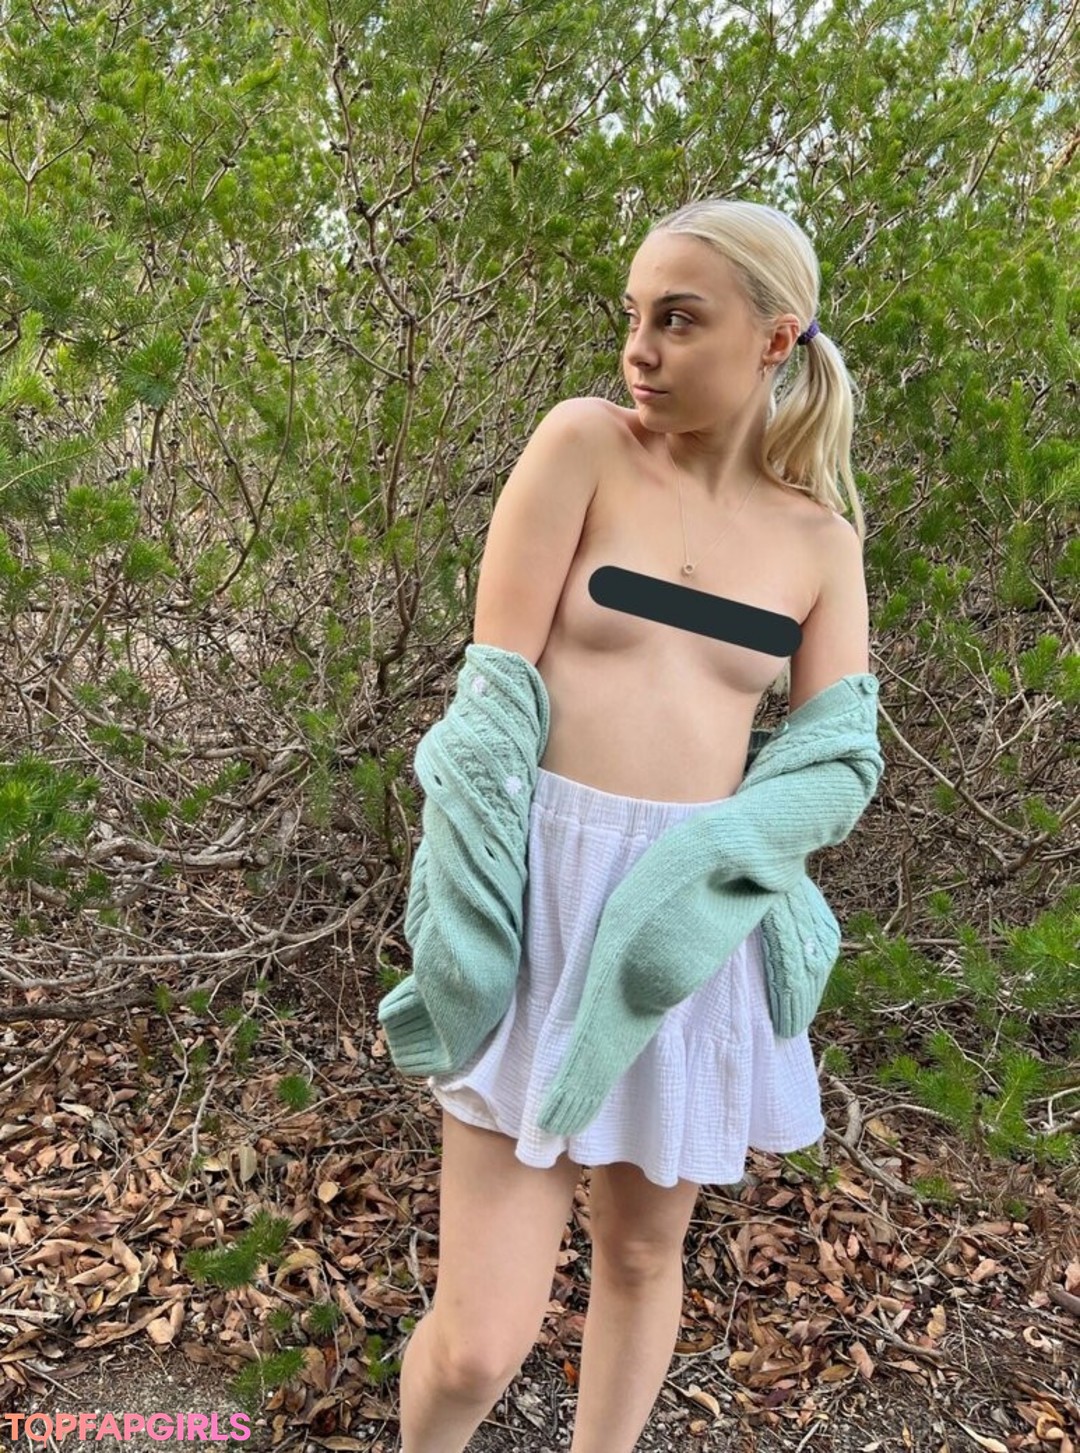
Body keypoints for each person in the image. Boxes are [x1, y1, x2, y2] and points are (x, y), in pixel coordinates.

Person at [391, 197, 873, 1453]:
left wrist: (724, 857)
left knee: (644, 1255)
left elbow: (837, 758)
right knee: (479, 1340)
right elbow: (493, 700)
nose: (640, 350)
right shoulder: (583, 447)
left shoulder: (820, 543)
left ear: (776, 339)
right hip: (540, 900)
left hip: (688, 927)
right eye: (634, 316)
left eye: (679, 320)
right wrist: (465, 910)